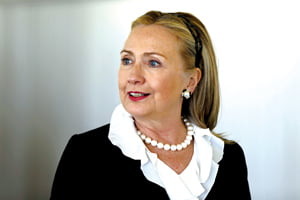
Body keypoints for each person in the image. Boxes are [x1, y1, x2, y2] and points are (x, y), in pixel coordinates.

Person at [49, 10, 251, 200]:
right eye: (127, 60)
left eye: (153, 63)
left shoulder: (228, 158)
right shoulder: (85, 154)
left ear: (190, 81)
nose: (133, 77)